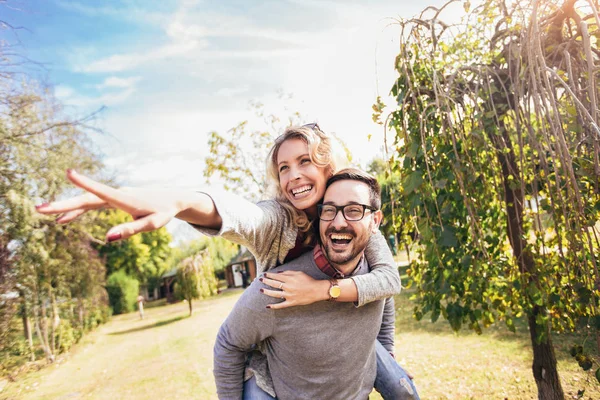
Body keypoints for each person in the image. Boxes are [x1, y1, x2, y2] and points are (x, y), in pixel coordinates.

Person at [34, 123, 413, 399]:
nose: (293, 175)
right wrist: (179, 202)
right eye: (283, 168)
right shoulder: (278, 219)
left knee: (402, 388)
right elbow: (235, 212)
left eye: (304, 162)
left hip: (351, 343)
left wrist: (330, 297)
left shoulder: (353, 215)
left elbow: (385, 282)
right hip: (274, 350)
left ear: (328, 168)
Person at [214, 168, 419, 399]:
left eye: (354, 210)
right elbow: (228, 344)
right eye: (329, 210)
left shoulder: (376, 274)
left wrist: (387, 353)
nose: (339, 222)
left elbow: (384, 296)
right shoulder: (279, 287)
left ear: (375, 221)